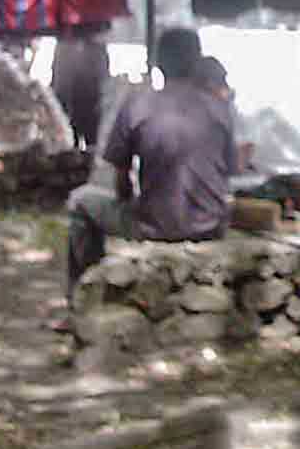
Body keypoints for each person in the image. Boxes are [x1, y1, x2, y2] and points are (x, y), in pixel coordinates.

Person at [62, 27, 236, 309]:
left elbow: (121, 178)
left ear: (156, 62)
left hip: (155, 225)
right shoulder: (220, 108)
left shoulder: (138, 104)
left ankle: (82, 296)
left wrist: (131, 202)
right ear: (197, 62)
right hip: (211, 225)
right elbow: (228, 171)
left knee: (81, 202)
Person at [197, 55, 300, 217]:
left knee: (219, 195)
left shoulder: (238, 111)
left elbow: (238, 163)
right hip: (287, 180)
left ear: (209, 86)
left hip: (292, 182)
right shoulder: (232, 108)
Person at [51, 28, 110, 151]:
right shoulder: (66, 48)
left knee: (85, 145)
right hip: (76, 108)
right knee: (79, 146)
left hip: (85, 106)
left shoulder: (66, 47)